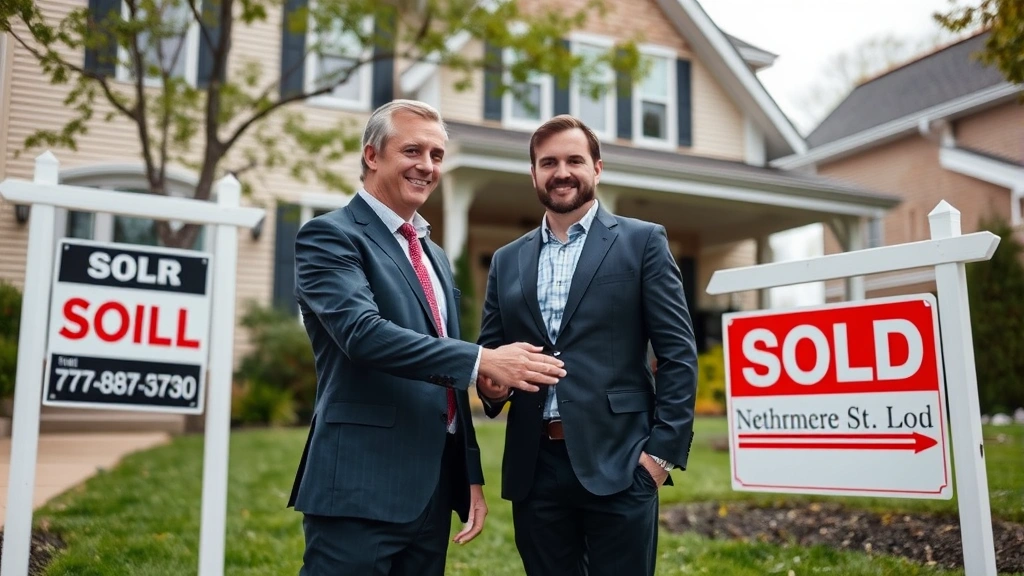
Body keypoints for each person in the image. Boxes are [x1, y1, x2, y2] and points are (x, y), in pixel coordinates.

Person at [288, 99, 566, 576]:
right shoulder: (329, 236)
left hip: (431, 492)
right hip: (359, 485)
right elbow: (362, 334)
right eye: (412, 151)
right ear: (372, 155)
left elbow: (448, 378)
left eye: (437, 155)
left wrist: (468, 475)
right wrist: (483, 360)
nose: (427, 166)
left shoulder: (432, 254)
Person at [476, 114, 698, 576]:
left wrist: (659, 457)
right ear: (533, 174)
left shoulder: (642, 242)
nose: (562, 172)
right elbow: (492, 354)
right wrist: (492, 386)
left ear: (597, 168)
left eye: (574, 160)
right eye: (548, 162)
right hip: (535, 468)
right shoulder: (506, 260)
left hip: (622, 462)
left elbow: (678, 354)